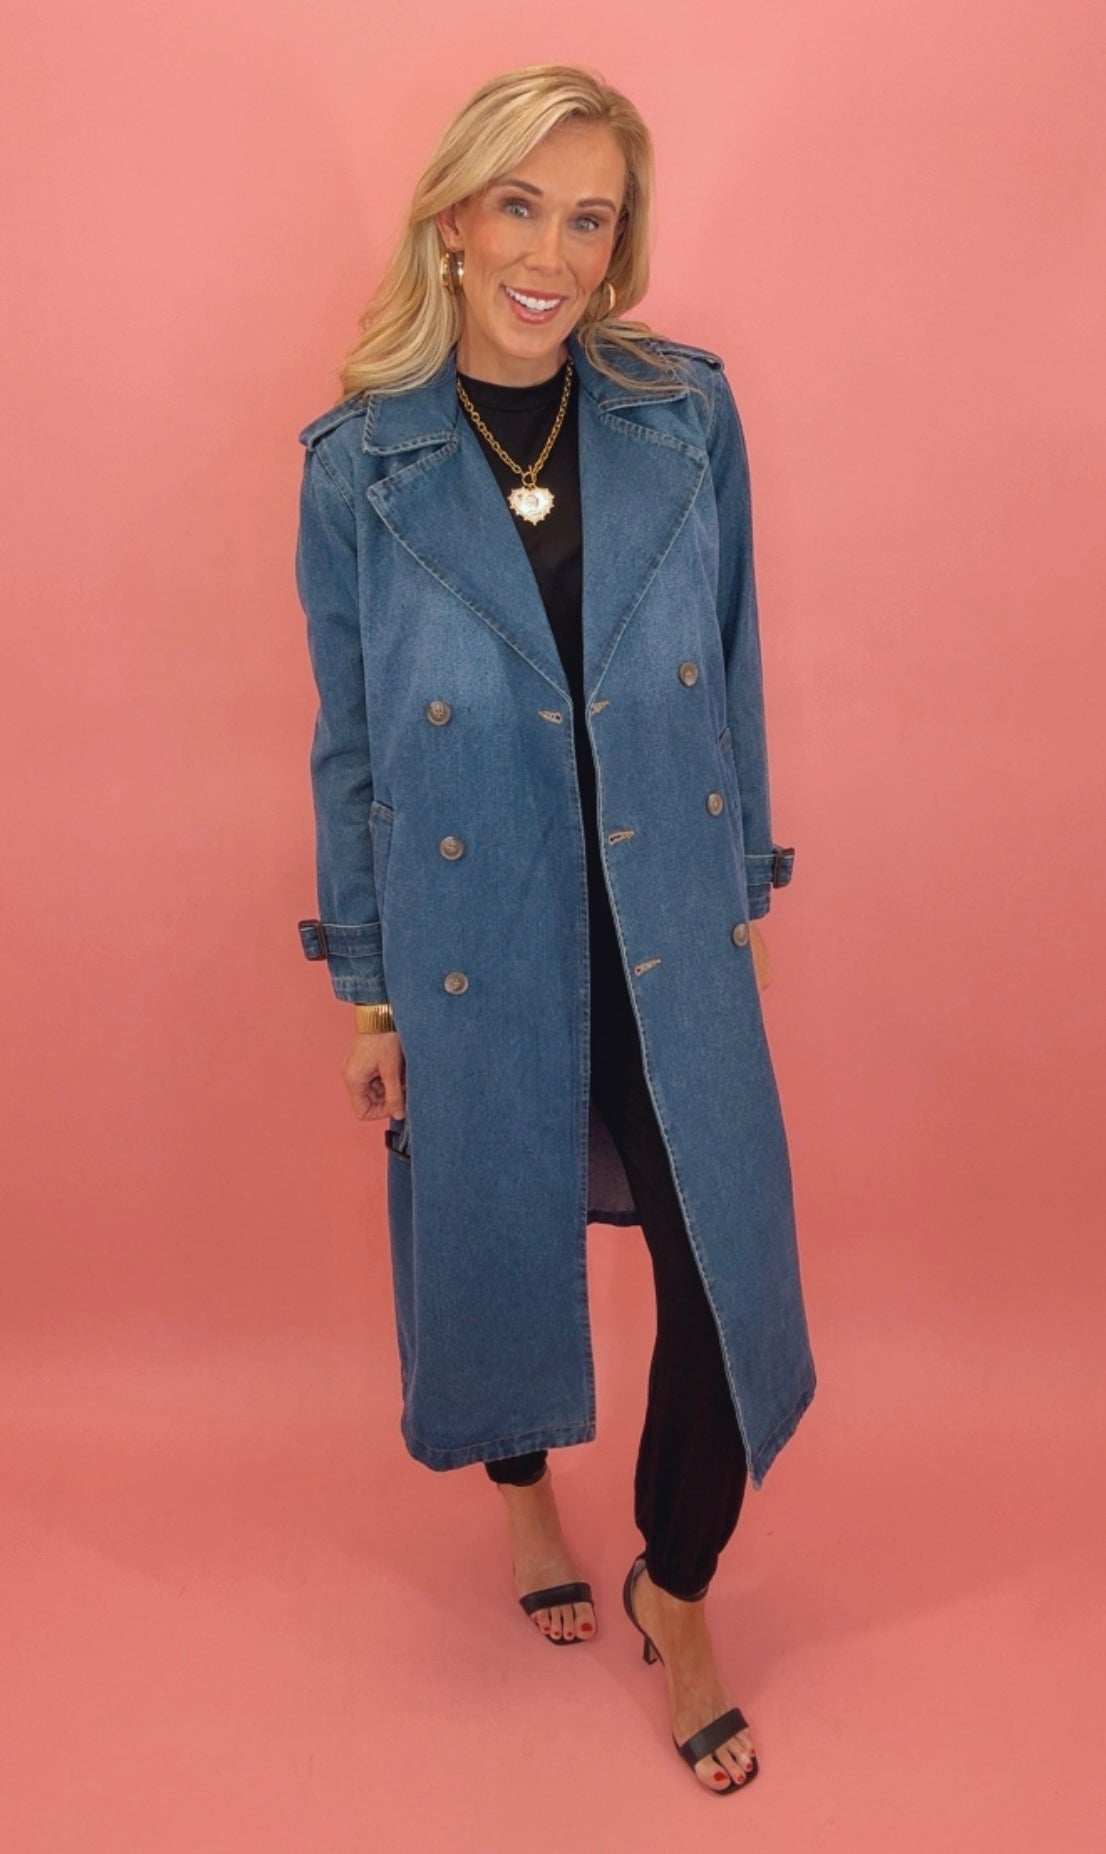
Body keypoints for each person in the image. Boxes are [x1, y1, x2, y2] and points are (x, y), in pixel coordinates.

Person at [294, 62, 816, 1797]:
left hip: (662, 908)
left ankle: (679, 1586)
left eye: (588, 219)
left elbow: (729, 661)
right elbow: (354, 745)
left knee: (723, 1277)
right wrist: (370, 992)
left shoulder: (684, 413)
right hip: (475, 924)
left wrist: (741, 894)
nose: (551, 254)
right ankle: (523, 1495)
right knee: (494, 1230)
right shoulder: (360, 467)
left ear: (618, 243)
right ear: (453, 219)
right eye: (520, 206)